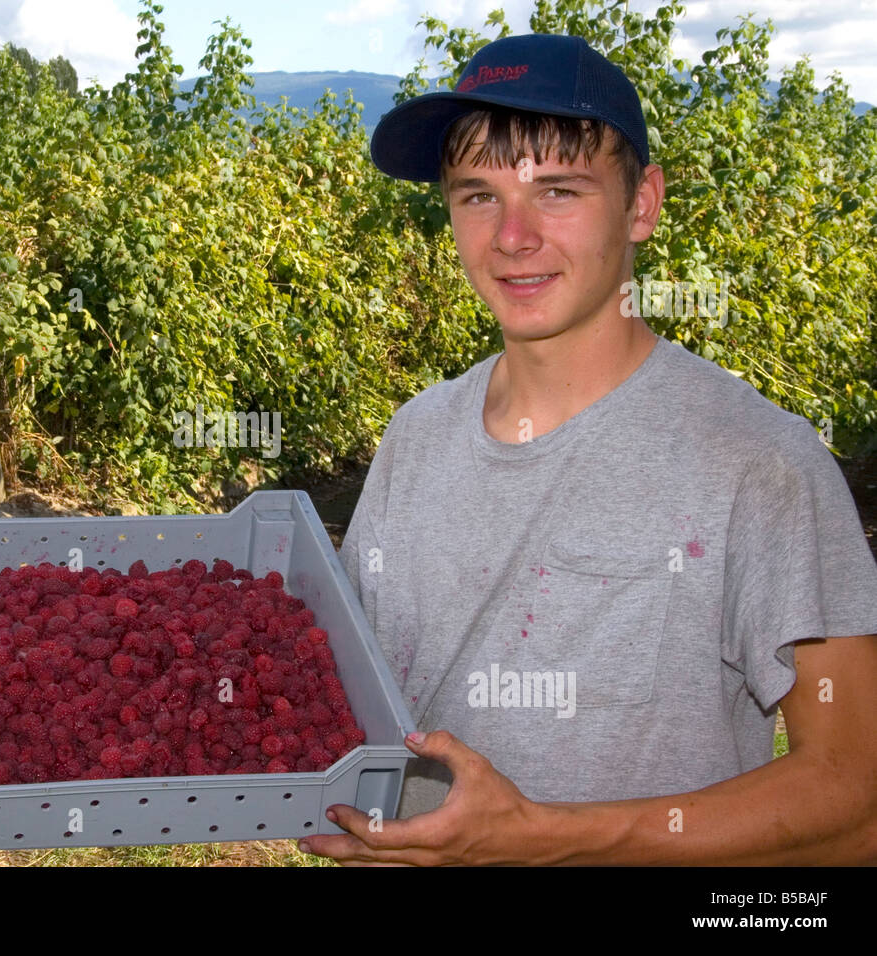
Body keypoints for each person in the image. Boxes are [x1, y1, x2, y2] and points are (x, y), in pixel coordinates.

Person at [298, 33, 877, 865]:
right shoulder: (415, 436)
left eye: (558, 191)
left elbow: (855, 797)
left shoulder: (759, 465)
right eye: (477, 196)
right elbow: (350, 700)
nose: (512, 236)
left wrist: (544, 841)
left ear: (642, 204)